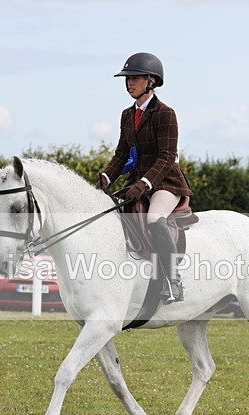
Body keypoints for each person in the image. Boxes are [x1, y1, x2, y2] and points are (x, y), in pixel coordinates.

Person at [96, 52, 193, 303]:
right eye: (127, 79)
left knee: (154, 218)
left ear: (151, 81)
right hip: (139, 182)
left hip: (166, 182)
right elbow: (121, 154)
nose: (129, 83)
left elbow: (167, 156)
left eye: (135, 78)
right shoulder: (127, 115)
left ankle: (173, 282)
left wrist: (145, 183)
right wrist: (105, 178)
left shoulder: (165, 113)